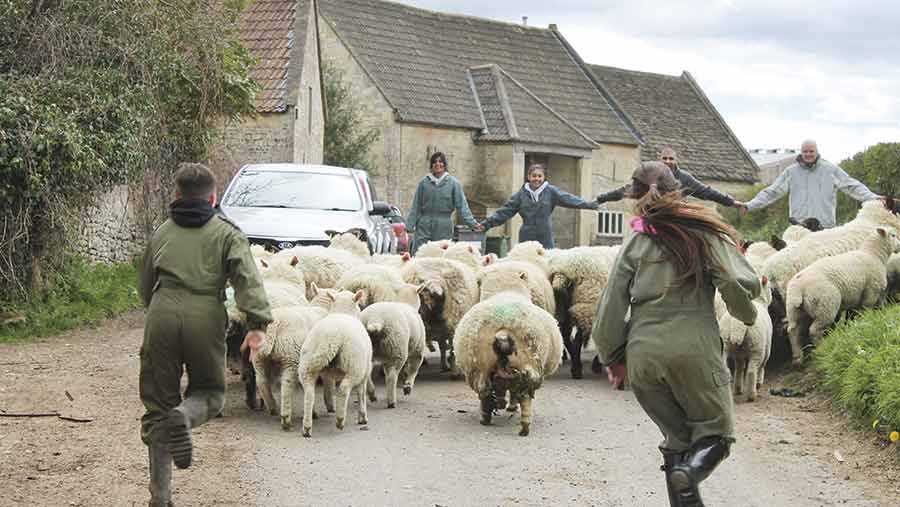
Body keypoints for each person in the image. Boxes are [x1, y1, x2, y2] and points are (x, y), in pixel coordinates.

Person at [591, 161, 760, 507]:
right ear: (677, 189)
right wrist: (746, 312)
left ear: (633, 197)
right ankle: (691, 473)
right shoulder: (704, 232)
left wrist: (613, 357)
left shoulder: (635, 243)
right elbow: (736, 279)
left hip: (644, 355)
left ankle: (684, 480)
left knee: (678, 441)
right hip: (694, 347)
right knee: (717, 433)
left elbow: (609, 309)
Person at [138, 163, 272, 507]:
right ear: (214, 197)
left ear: (177, 195)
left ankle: (160, 497)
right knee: (210, 393)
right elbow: (247, 278)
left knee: (157, 408)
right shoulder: (227, 232)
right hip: (205, 314)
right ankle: (185, 416)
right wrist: (256, 324)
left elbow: (144, 286)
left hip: (162, 311)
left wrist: (160, 311)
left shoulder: (162, 232)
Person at [739, 140, 882, 228]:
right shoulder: (791, 172)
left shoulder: (830, 169)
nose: (808, 154)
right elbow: (772, 192)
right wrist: (750, 205)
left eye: (811, 151)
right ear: (801, 152)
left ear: (817, 151)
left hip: (824, 228)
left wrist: (873, 198)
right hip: (799, 228)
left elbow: (852, 185)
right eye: (805, 151)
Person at [476, 163, 598, 249]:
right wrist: (486, 224)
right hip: (526, 235)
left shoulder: (551, 192)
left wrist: (589, 205)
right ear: (528, 177)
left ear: (544, 178)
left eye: (540, 176)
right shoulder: (520, 195)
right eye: (534, 176)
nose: (537, 179)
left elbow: (570, 199)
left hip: (545, 235)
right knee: (527, 265)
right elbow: (504, 212)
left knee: (547, 263)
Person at [596, 147, 745, 210]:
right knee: (636, 232)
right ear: (659, 160)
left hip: (675, 217)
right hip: (652, 218)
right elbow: (625, 191)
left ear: (676, 160)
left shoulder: (685, 179)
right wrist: (600, 199)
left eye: (671, 158)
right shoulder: (649, 177)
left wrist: (732, 202)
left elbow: (707, 192)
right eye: (664, 158)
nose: (667, 161)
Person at [405, 152, 478, 254]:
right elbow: (416, 206)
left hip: (444, 226)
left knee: (441, 255)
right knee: (420, 254)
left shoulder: (453, 184)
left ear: (445, 165)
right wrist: (409, 227)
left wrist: (473, 224)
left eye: (440, 161)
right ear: (431, 166)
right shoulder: (423, 183)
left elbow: (462, 206)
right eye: (434, 162)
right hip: (424, 225)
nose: (437, 164)